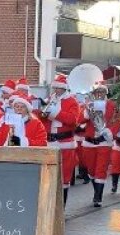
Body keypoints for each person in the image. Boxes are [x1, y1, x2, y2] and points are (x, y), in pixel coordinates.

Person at [39, 74, 80, 203]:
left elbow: (72, 120)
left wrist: (55, 112)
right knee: (49, 174)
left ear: (64, 89)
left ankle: (62, 208)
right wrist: (42, 114)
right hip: (50, 141)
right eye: (54, 88)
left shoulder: (72, 101)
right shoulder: (50, 99)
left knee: (64, 177)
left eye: (58, 88)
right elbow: (44, 120)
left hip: (65, 142)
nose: (55, 90)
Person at [80, 82, 118, 207]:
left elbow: (117, 122)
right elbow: (80, 120)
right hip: (89, 142)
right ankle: (96, 191)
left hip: (104, 142)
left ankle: (98, 197)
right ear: (94, 94)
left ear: (105, 93)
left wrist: (110, 132)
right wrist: (86, 112)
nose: (100, 94)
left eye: (102, 92)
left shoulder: (112, 105)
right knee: (90, 169)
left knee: (101, 169)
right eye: (97, 92)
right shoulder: (88, 105)